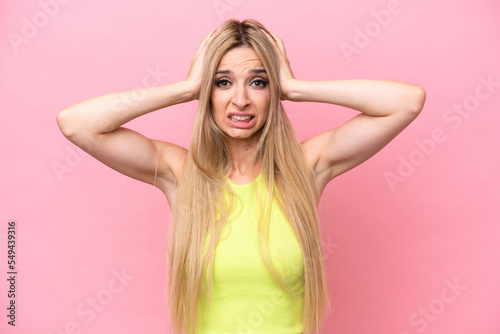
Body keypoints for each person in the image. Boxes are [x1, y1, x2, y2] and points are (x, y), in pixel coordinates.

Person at [56, 19, 425, 334]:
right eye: (223, 82)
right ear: (208, 93)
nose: (241, 100)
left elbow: (406, 102)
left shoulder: (306, 167)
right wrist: (185, 88)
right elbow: (77, 124)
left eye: (258, 82)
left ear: (273, 91)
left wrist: (295, 88)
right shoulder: (181, 173)